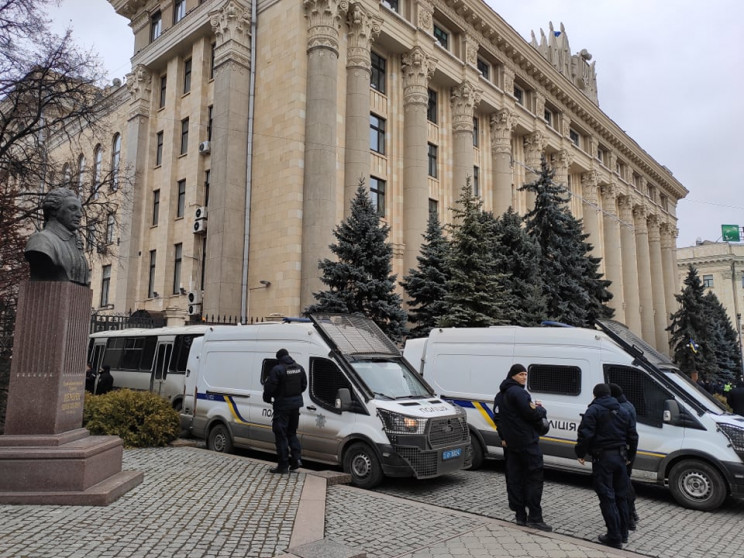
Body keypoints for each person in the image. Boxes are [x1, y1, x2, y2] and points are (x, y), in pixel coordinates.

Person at [575, 383, 638, 550]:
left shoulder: (594, 410)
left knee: (607, 497)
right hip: (620, 457)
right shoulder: (624, 410)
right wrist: (630, 457)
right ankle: (623, 533)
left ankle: (614, 536)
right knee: (621, 496)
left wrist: (580, 453)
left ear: (595, 395)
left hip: (603, 459)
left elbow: (585, 434)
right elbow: (633, 436)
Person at [493, 363, 552, 531]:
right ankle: (535, 517)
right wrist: (541, 410)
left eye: (525, 375)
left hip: (511, 445)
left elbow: (497, 418)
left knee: (515, 479)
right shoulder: (519, 393)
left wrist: (503, 437)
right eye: (521, 375)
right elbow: (531, 413)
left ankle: (520, 516)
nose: (524, 378)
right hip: (527, 443)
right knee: (534, 478)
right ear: (512, 376)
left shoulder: (501, 394)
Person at [24, 187, 90, 285]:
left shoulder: (75, 243)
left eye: (80, 210)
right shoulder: (41, 241)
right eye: (72, 208)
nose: (79, 215)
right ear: (53, 211)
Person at [263, 348, 307, 474]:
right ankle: (296, 460)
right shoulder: (299, 368)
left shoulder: (278, 370)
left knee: (281, 434)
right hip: (296, 406)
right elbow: (303, 386)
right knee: (291, 433)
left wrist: (268, 398)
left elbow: (270, 388)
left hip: (282, 406)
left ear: (279, 358)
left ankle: (283, 465)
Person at [609, 383, 639, 530]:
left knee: (623, 486)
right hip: (628, 451)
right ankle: (631, 513)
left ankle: (629, 516)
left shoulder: (621, 409)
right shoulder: (629, 405)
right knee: (626, 482)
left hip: (622, 451)